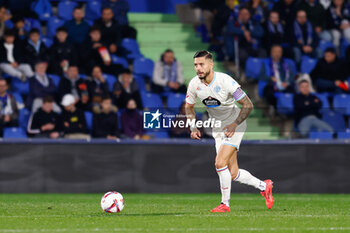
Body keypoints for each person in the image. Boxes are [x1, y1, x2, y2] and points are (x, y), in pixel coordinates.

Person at [185, 50, 273, 212]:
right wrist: (193, 126)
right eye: (196, 65)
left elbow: (248, 105)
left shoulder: (225, 81)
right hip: (218, 127)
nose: (198, 68)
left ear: (211, 64)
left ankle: (225, 204)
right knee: (233, 173)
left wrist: (234, 124)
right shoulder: (194, 84)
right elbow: (188, 107)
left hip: (235, 125)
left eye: (201, 64)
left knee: (220, 163)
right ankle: (264, 185)